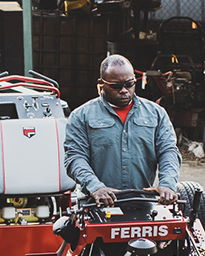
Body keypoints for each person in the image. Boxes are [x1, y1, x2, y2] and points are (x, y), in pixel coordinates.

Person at [64, 54, 181, 206]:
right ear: (101, 83)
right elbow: (75, 157)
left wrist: (167, 183)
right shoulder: (81, 116)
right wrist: (96, 187)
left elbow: (168, 151)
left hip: (143, 202)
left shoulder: (156, 113)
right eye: (116, 86)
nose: (124, 90)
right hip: (96, 204)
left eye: (129, 84)